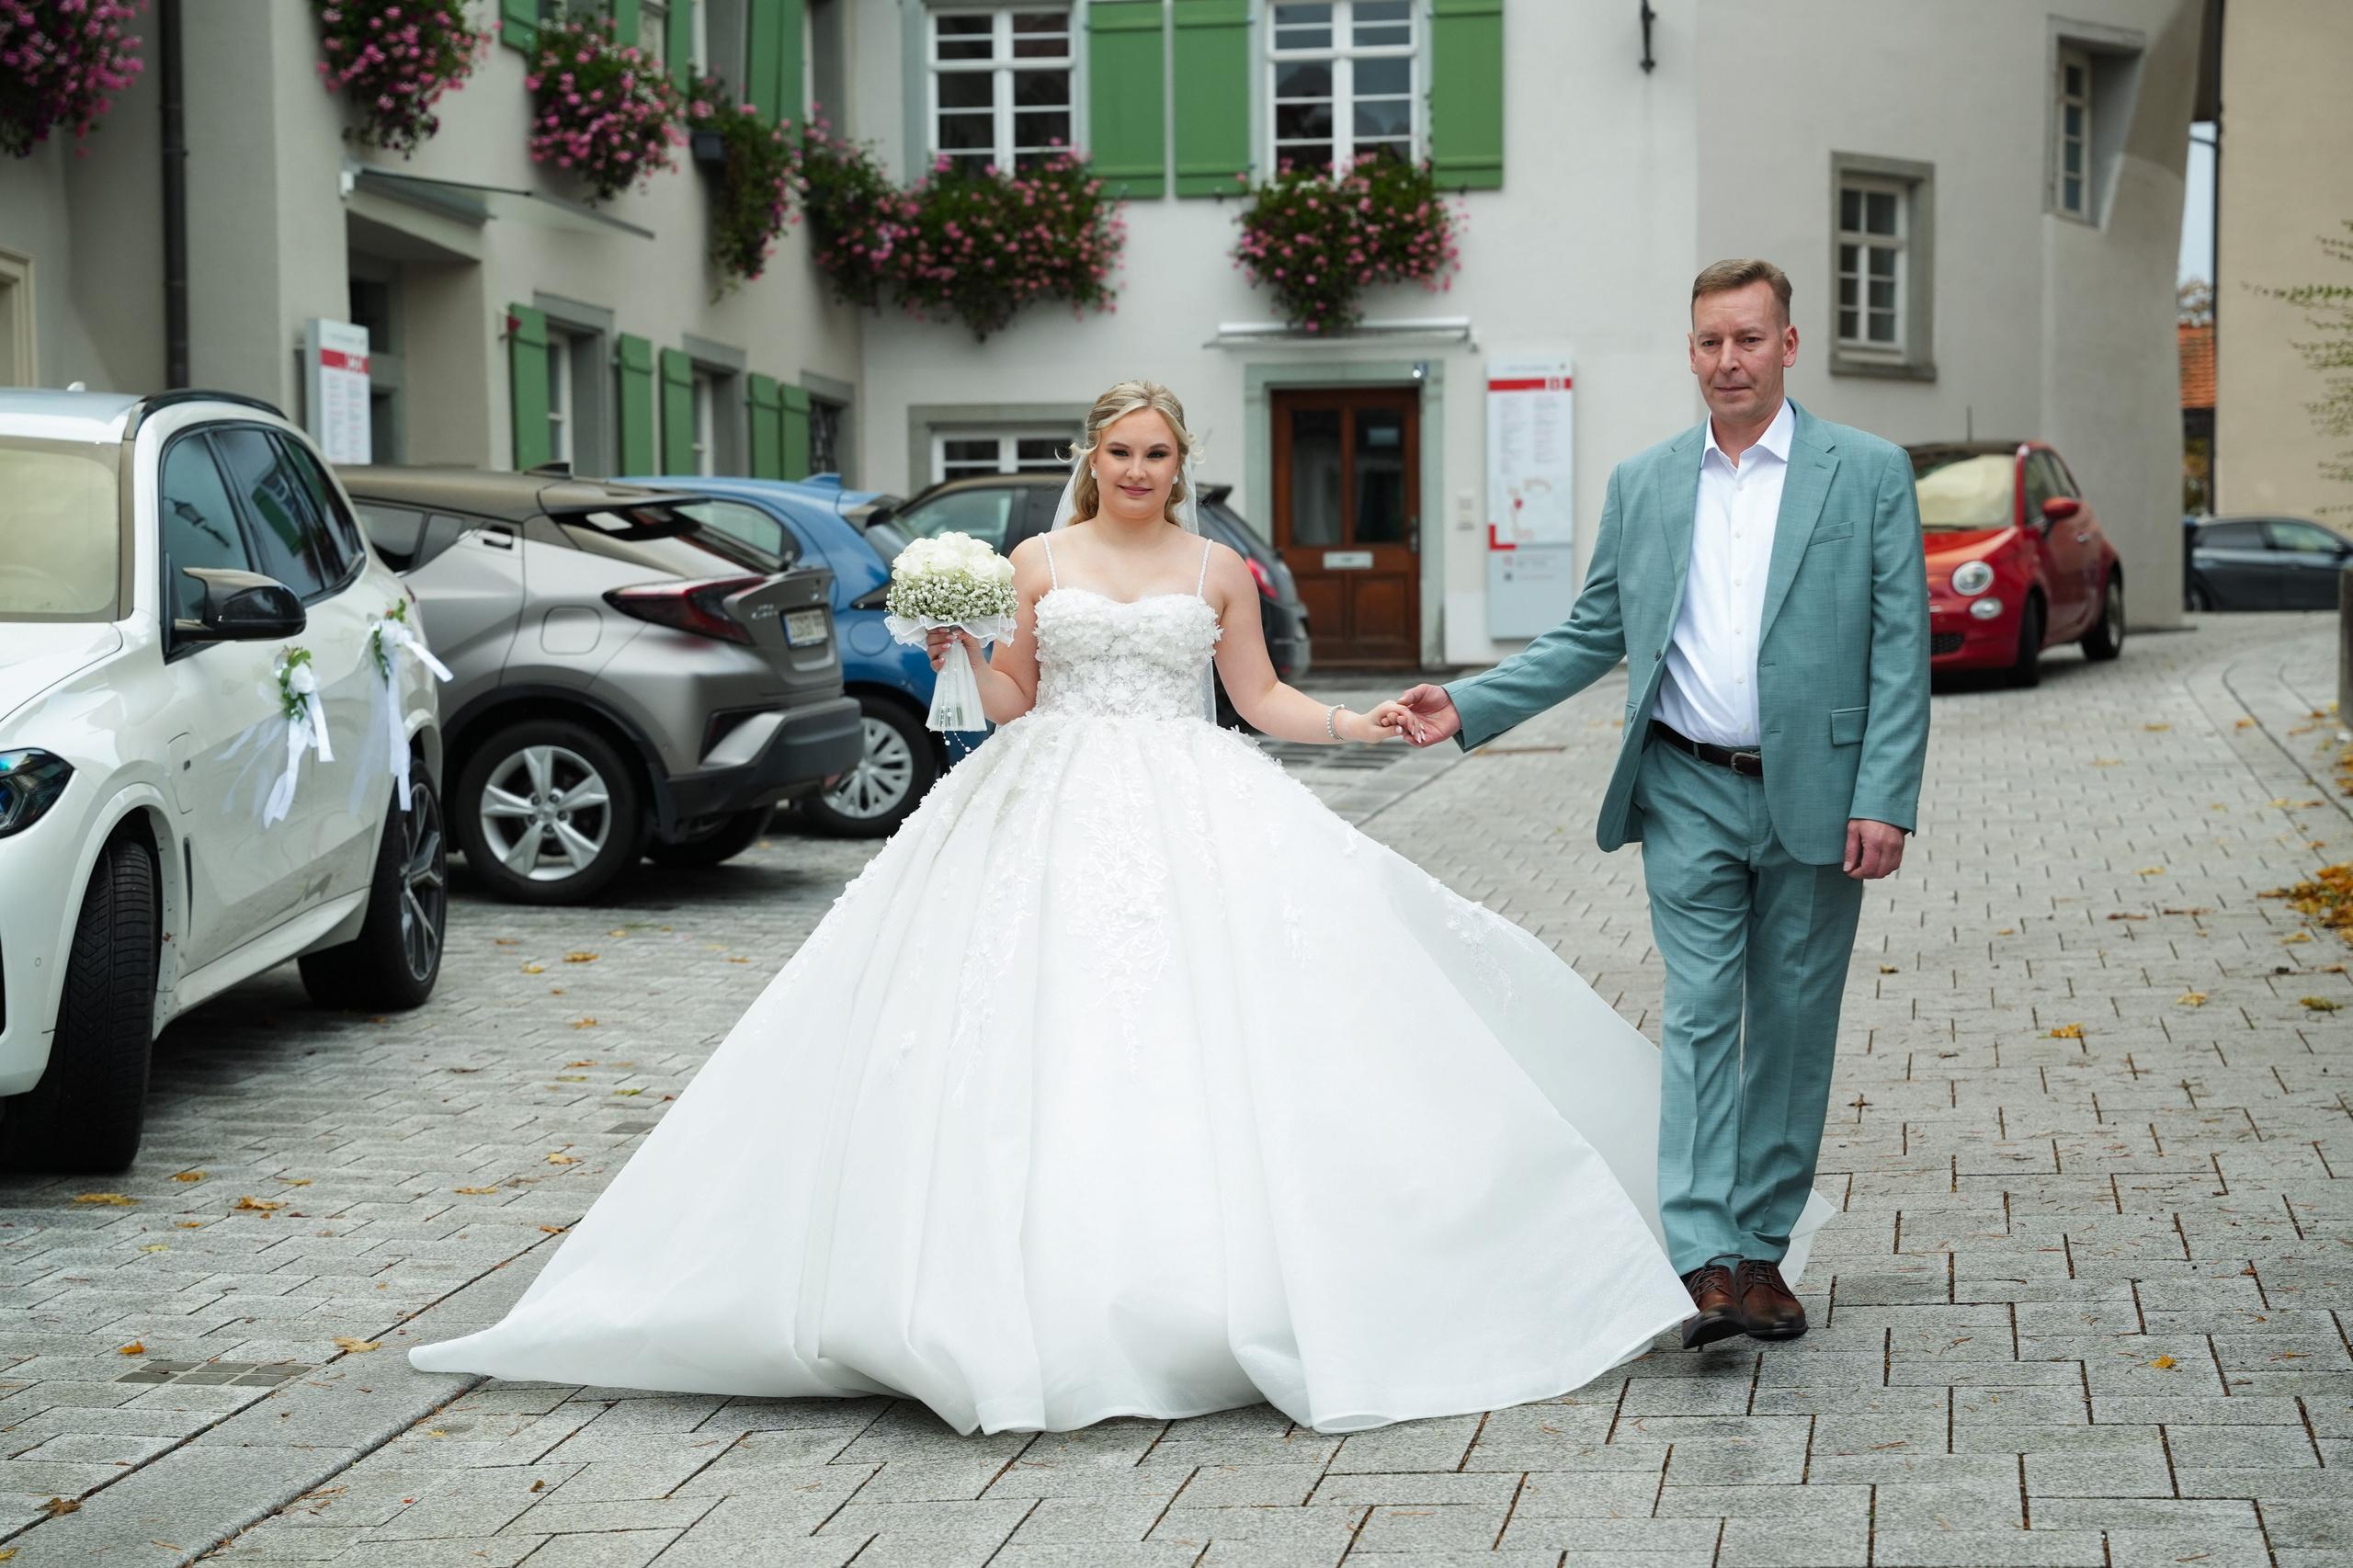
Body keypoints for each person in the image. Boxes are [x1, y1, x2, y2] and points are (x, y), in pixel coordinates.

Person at [410, 380, 1696, 1435]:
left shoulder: (1217, 569)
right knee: (1021, 1025)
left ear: (1181, 464)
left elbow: (1260, 704)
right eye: (1122, 450)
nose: (1139, 468)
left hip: (1195, 798)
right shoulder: (1034, 557)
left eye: (1160, 452)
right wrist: (958, 654)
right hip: (1046, 794)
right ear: (1093, 457)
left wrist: (1366, 722)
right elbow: (1013, 700)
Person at [1393, 260, 1931, 1348]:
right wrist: (1468, 701)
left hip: (1820, 796)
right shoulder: (1644, 483)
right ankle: (1701, 1261)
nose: (1725, 361)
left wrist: (1885, 794)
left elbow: (1899, 647)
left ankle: (1762, 1250)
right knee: (1697, 1014)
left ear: (1789, 343)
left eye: (1746, 338)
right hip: (1684, 781)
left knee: (1786, 1026)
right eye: (1707, 342)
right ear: (1688, 353)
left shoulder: (1865, 472)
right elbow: (1594, 631)